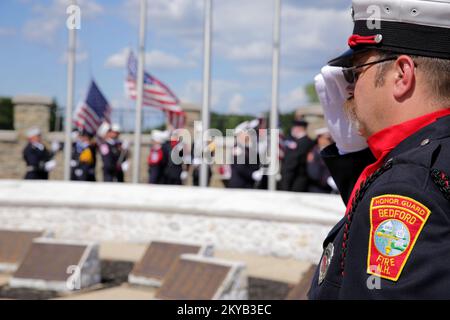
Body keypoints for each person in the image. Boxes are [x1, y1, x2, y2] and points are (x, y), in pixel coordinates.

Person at [308, 0, 450, 299]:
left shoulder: (407, 188)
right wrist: (356, 159)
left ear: (401, 75)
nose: (349, 90)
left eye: (357, 72)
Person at [280, 119, 315, 192]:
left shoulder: (303, 143)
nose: (292, 129)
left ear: (299, 128)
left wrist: (285, 185)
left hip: (296, 182)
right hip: (298, 180)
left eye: (294, 127)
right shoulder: (306, 141)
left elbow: (291, 164)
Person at [228, 120, 260, 189]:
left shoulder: (248, 148)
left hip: (247, 184)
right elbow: (240, 167)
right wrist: (252, 174)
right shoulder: (237, 148)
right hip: (239, 186)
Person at [306, 128, 334, 194]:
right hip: (318, 190)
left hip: (330, 190)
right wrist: (327, 179)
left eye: (330, 139)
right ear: (319, 138)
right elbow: (313, 174)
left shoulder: (331, 152)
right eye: (327, 139)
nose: (330, 141)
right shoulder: (314, 152)